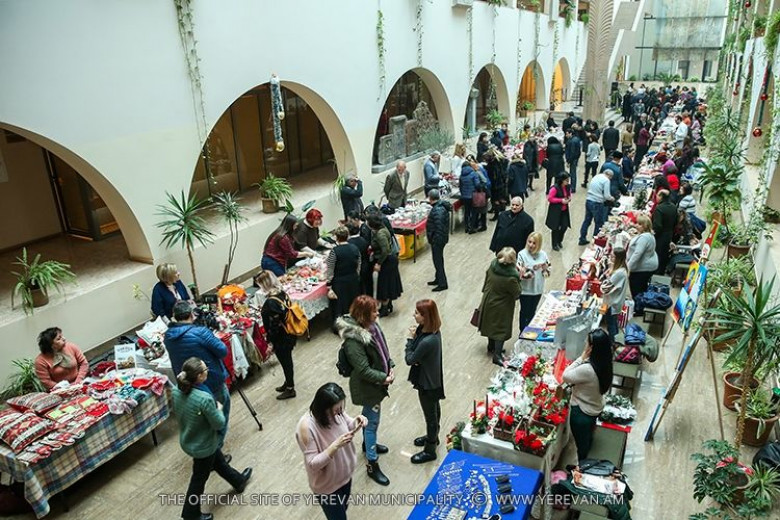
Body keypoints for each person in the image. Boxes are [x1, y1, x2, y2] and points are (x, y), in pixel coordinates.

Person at [173, 357, 252, 520]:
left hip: (190, 439)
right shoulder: (204, 398)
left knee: (219, 462)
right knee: (199, 479)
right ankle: (190, 514)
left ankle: (238, 481)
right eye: (205, 369)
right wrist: (219, 409)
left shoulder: (176, 390)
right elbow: (219, 423)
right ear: (199, 376)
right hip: (203, 445)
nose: (207, 371)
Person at [336, 296, 395, 486]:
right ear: (363, 315)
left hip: (377, 382)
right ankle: (372, 463)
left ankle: (367, 444)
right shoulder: (354, 340)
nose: (378, 313)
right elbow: (363, 370)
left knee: (369, 417)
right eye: (374, 311)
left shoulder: (372, 326)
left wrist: (390, 365)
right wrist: (384, 378)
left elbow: (382, 350)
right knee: (371, 423)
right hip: (368, 386)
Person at [296, 383, 367, 520]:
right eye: (336, 410)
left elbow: (347, 424)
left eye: (341, 408)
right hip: (327, 487)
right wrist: (335, 446)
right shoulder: (306, 427)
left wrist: (357, 422)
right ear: (324, 408)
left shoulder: (337, 411)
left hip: (345, 477)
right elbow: (313, 464)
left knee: (343, 510)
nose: (339, 412)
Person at [165, 301, 231, 444]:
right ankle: (216, 447)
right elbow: (223, 351)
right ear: (191, 315)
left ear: (175, 316)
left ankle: (207, 446)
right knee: (219, 415)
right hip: (210, 380)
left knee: (201, 419)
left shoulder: (168, 336)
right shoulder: (200, 332)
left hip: (187, 382)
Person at [404, 299, 445, 464]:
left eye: (417, 313)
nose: (414, 315)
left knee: (430, 416)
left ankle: (430, 450)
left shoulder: (428, 341)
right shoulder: (431, 331)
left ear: (425, 316)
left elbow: (410, 359)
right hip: (432, 377)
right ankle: (433, 437)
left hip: (427, 382)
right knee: (434, 409)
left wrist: (409, 340)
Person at [562, 329, 613, 462]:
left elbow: (565, 376)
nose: (585, 343)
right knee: (587, 436)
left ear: (591, 348)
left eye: (587, 342)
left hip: (582, 412)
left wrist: (581, 358)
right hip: (595, 406)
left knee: (582, 446)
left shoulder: (588, 369)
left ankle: (582, 464)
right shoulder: (605, 362)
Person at [256, 271, 298, 399]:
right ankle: (288, 382)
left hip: (282, 338)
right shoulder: (281, 293)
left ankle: (290, 388)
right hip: (289, 332)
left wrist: (270, 343)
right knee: (286, 361)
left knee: (286, 362)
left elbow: (274, 326)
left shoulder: (271, 302)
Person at [478, 247, 521, 366]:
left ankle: (491, 346)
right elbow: (517, 293)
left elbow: (486, 278)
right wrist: (520, 277)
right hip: (502, 306)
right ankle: (497, 355)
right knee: (500, 329)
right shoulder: (511, 278)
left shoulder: (493, 266)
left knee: (490, 324)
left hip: (488, 299)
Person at [326, 226, 361, 332]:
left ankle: (341, 327)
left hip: (339, 282)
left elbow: (330, 269)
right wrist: (356, 275)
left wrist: (329, 284)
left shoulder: (334, 251)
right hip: (353, 279)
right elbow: (359, 263)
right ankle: (354, 323)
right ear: (348, 236)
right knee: (353, 302)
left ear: (336, 237)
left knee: (340, 305)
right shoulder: (355, 248)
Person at [368, 215, 402, 316]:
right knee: (388, 284)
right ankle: (388, 305)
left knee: (384, 285)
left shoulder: (380, 234)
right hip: (389, 260)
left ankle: (384, 308)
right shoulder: (383, 229)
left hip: (386, 262)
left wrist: (378, 263)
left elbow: (385, 250)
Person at [517, 233, 550, 333]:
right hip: (525, 290)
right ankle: (522, 332)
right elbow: (519, 274)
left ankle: (530, 332)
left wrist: (545, 269)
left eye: (534, 243)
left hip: (537, 289)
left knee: (532, 311)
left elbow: (547, 273)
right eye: (529, 242)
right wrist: (526, 272)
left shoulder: (543, 255)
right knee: (524, 312)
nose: (531, 245)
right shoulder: (522, 254)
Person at [578, 168, 614, 245]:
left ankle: (582, 238)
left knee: (587, 221)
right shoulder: (606, 180)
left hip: (589, 200)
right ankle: (595, 241)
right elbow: (607, 195)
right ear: (610, 176)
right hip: (597, 203)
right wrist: (612, 198)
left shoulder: (596, 176)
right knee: (598, 223)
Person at [626, 215, 658, 299]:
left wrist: (628, 268)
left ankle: (638, 305)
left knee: (636, 289)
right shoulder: (649, 235)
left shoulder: (644, 238)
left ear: (645, 226)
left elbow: (637, 254)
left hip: (642, 268)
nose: (636, 225)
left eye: (639, 224)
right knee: (642, 288)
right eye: (637, 223)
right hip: (647, 266)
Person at [425, 189, 451, 292]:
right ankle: (438, 278)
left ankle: (442, 283)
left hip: (438, 240)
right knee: (438, 260)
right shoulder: (439, 207)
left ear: (430, 198)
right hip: (440, 238)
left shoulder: (437, 210)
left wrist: (434, 239)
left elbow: (439, 227)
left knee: (438, 261)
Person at [601, 248, 629, 340]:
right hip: (616, 301)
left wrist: (605, 278)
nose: (610, 258)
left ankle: (613, 343)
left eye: (613, 257)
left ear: (618, 258)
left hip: (612, 303)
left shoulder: (618, 273)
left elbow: (605, 288)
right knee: (613, 323)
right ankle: (615, 340)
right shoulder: (622, 269)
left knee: (611, 325)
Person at [653, 190, 678, 274]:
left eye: (657, 195)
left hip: (660, 236)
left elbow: (657, 226)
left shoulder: (659, 208)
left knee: (658, 255)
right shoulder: (673, 207)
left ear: (661, 197)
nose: (656, 197)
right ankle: (661, 272)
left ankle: (656, 273)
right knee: (665, 255)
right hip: (669, 234)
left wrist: (653, 234)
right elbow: (676, 222)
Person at [346, 219, 373, 297]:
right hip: (366, 266)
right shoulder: (363, 240)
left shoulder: (349, 244)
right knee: (367, 286)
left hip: (355, 269)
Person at [546, 173, 572, 251]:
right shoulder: (555, 188)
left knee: (564, 226)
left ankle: (559, 240)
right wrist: (561, 200)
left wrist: (569, 198)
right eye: (566, 180)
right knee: (555, 228)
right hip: (556, 211)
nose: (568, 181)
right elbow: (550, 198)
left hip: (564, 210)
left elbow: (569, 194)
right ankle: (554, 244)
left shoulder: (567, 187)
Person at [458, 160, 482, 234]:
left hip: (465, 197)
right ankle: (472, 228)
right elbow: (477, 185)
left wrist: (463, 194)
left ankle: (466, 227)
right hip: (473, 195)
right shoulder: (474, 174)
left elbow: (460, 186)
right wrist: (479, 190)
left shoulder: (461, 175)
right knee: (474, 212)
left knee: (467, 212)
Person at [564, 128, 582, 192]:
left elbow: (572, 152)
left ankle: (573, 187)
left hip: (572, 159)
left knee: (572, 173)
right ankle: (572, 186)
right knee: (573, 173)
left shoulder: (571, 141)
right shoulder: (576, 139)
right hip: (575, 158)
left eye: (567, 134)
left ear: (570, 133)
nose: (566, 135)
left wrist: (568, 161)